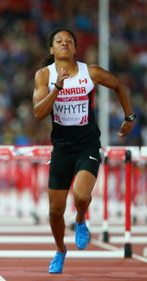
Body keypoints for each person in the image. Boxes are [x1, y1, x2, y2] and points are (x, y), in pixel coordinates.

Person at [33, 28, 135, 274]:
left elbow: (119, 85)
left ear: (75, 48)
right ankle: (60, 250)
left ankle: (80, 219)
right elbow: (38, 112)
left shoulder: (91, 72)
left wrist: (129, 116)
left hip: (87, 144)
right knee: (55, 211)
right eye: (59, 41)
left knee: (80, 196)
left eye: (69, 41)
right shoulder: (44, 75)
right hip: (61, 148)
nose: (64, 44)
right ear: (51, 49)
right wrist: (57, 87)